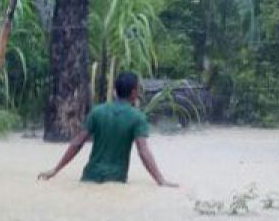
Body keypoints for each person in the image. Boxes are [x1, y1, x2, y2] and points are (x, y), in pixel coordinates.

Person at [38, 71, 177, 187]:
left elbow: (77, 143)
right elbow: (143, 151)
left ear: (115, 91)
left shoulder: (97, 112)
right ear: (134, 92)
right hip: (115, 180)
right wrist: (161, 180)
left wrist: (55, 170)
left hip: (89, 177)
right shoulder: (137, 118)